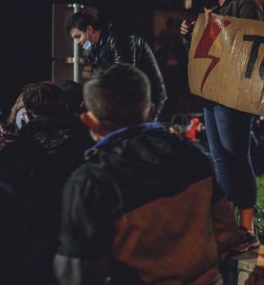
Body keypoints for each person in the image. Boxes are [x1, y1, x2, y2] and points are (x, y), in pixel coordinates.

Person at [54, 64, 237, 284]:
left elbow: (76, 274)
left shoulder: (91, 181)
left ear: (89, 121)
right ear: (150, 111)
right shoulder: (196, 156)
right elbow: (226, 233)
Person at [180, 0, 263, 251]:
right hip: (211, 94)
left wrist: (214, 24)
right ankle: (228, 228)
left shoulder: (245, 4)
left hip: (233, 94)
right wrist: (190, 34)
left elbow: (247, 42)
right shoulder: (215, 8)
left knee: (237, 157)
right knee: (221, 159)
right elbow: (203, 53)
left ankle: (248, 229)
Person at [0, 82, 93, 283]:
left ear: (28, 115)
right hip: (81, 245)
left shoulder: (16, 152)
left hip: (33, 248)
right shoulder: (89, 143)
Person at [66, 12, 167, 120]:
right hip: (127, 97)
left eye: (78, 36)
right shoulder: (96, 49)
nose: (76, 42)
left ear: (89, 30)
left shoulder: (116, 39)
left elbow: (124, 76)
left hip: (146, 101)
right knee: (68, 87)